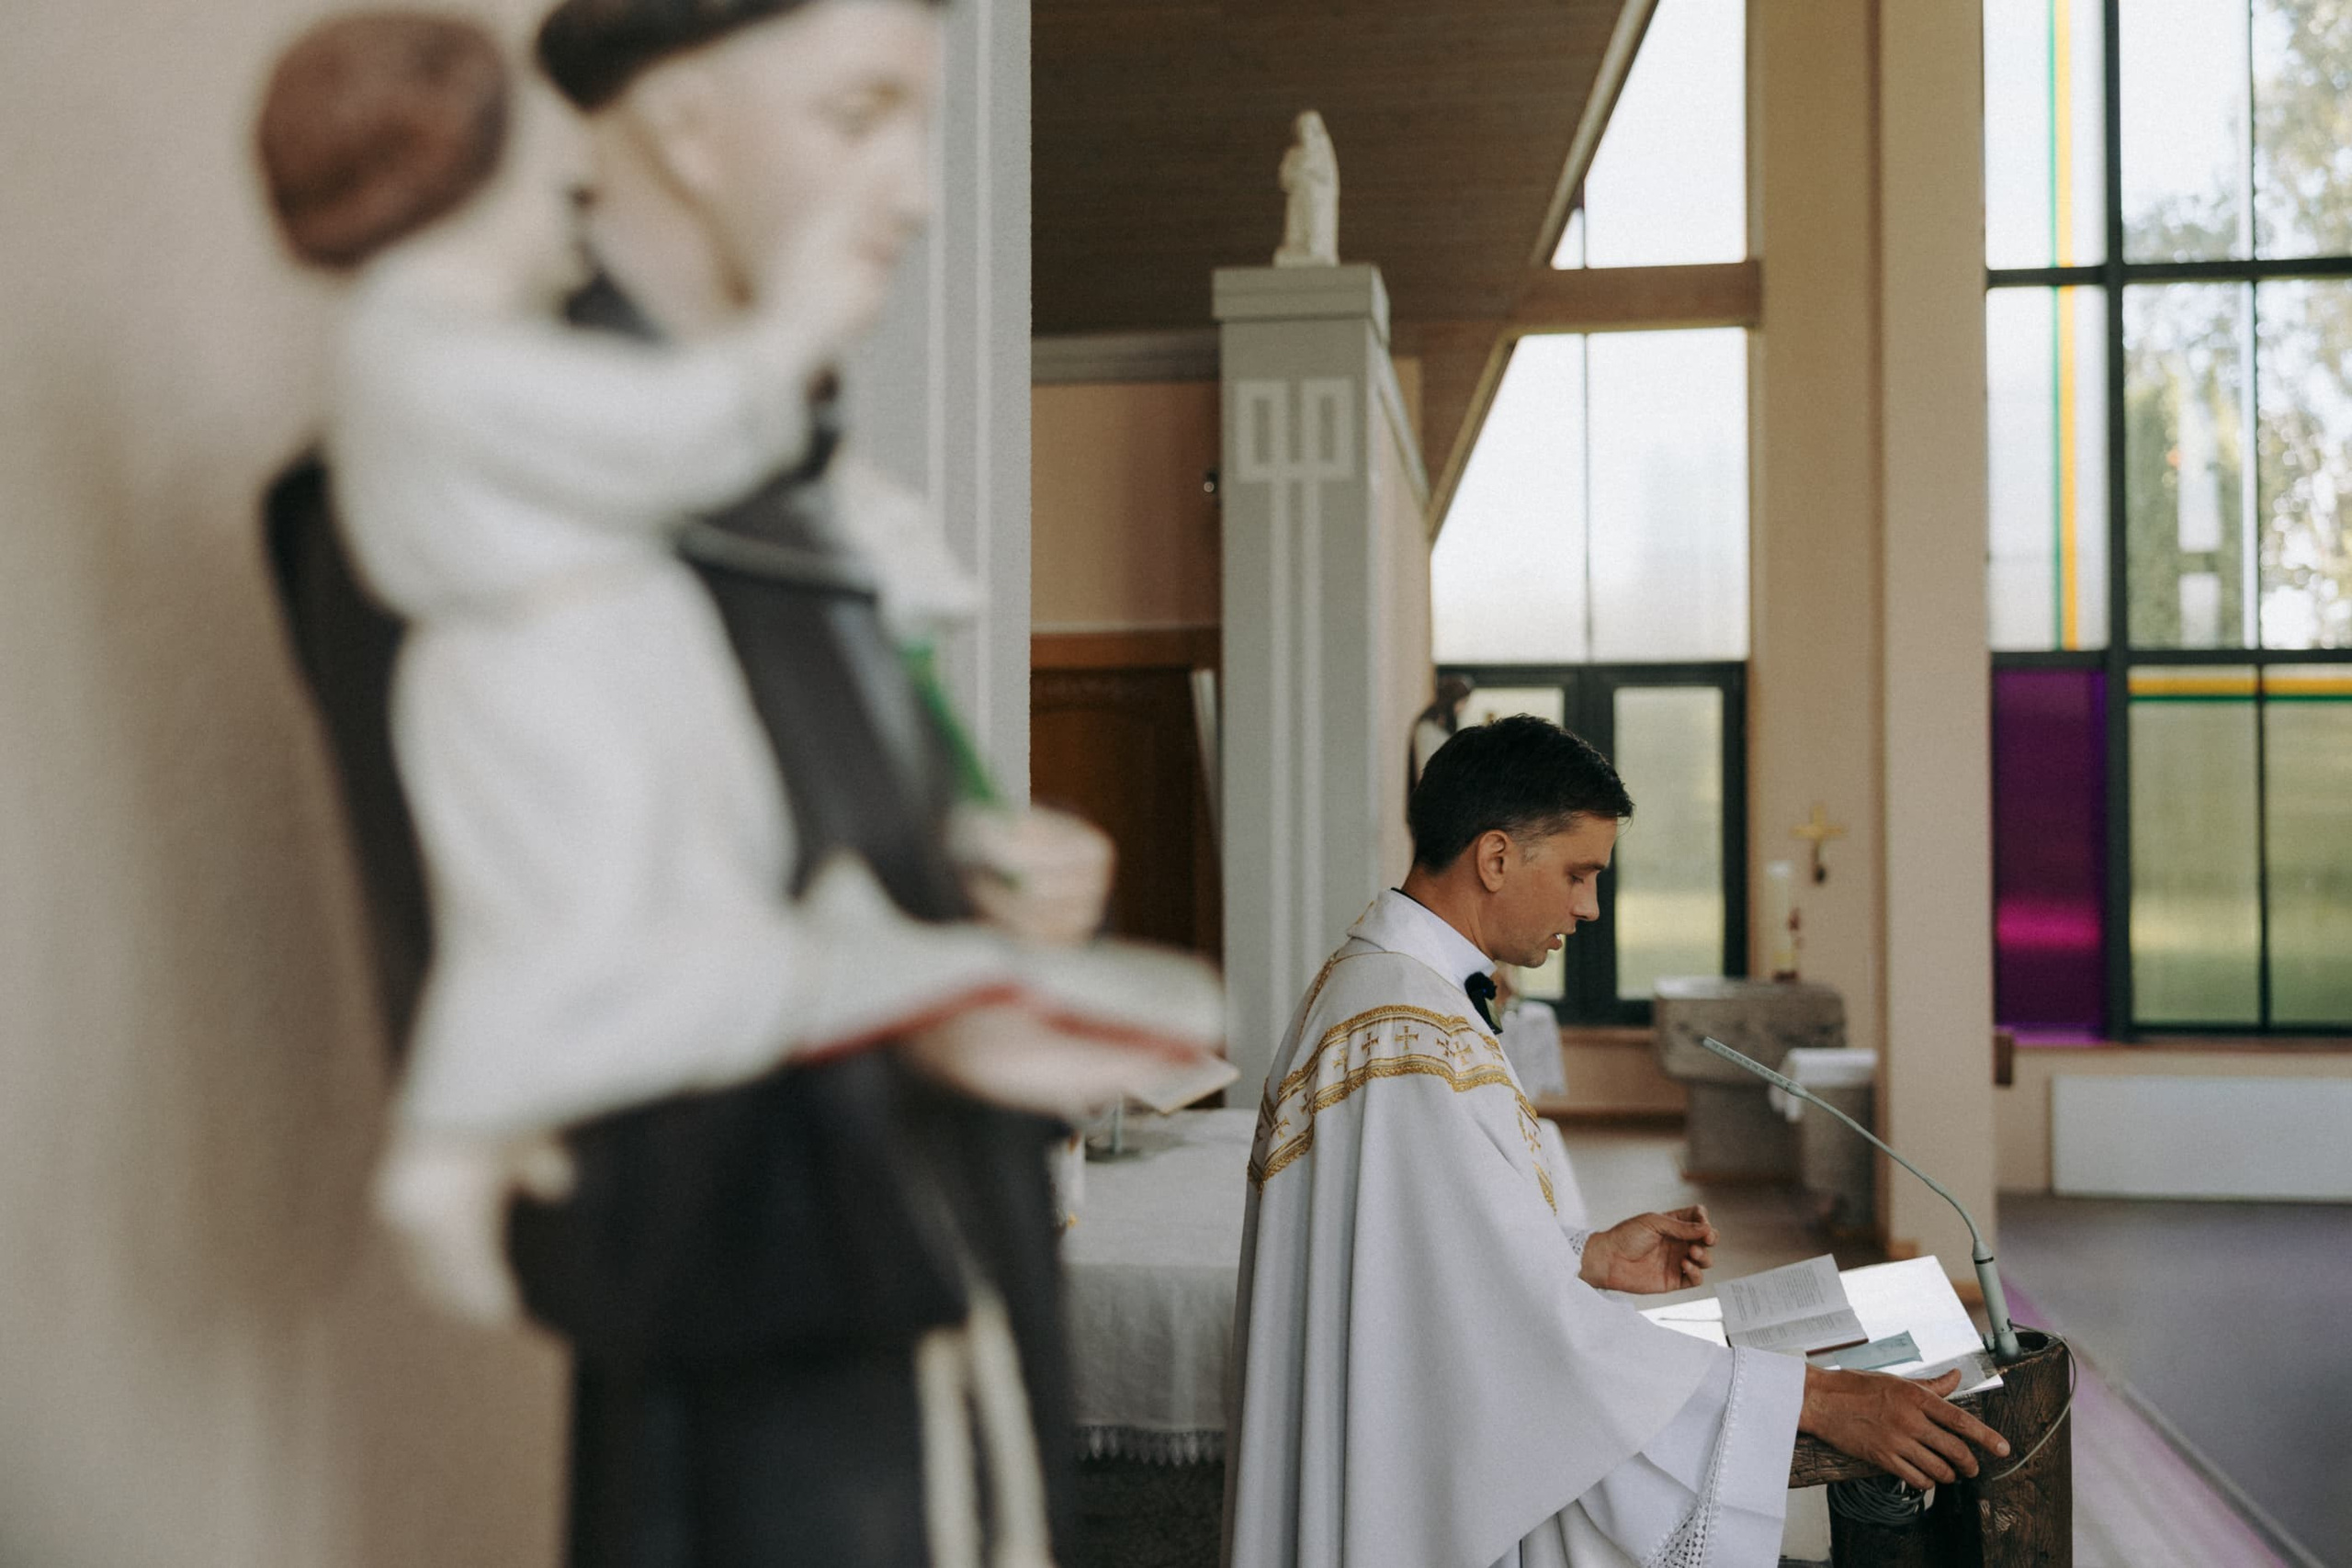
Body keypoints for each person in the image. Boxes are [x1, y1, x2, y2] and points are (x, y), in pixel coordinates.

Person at [255, 5, 1223, 1564]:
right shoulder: (444, 495)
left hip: (960, 1302)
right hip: (774, 1400)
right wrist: (911, 1027)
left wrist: (961, 868)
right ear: (689, 128)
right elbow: (557, 1098)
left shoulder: (798, 495)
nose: (910, 195)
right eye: (860, 114)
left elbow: (795, 830)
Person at [1226, 716, 2008, 1568]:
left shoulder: (1386, 992)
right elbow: (1513, 1332)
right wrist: (1815, 1400)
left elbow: (1427, 1262)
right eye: (1579, 873)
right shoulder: (1403, 1027)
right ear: (1495, 858)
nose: (1589, 907)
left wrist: (1584, 1253)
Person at [1410, 671, 1475, 786]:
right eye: (1462, 702)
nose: (1462, 708)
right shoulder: (1427, 728)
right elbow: (1424, 772)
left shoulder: (1442, 726)